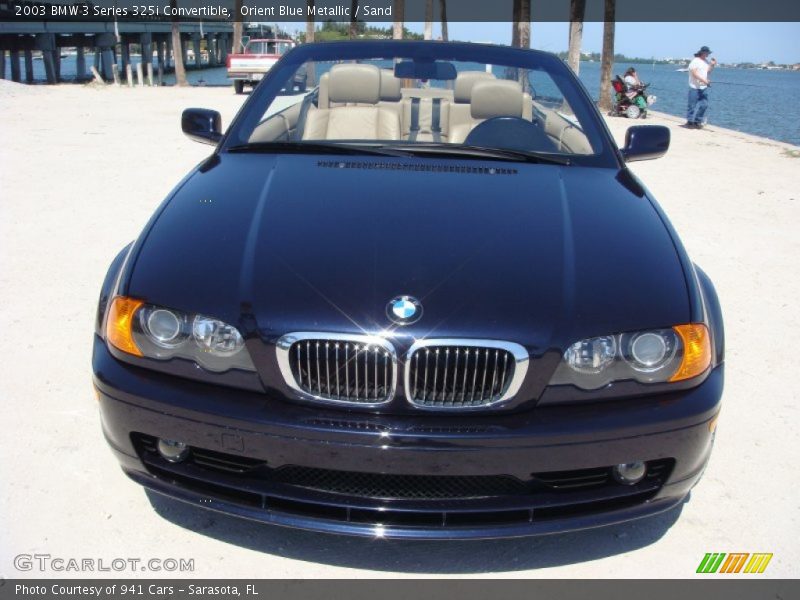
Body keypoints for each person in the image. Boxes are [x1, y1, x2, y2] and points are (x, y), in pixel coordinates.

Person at [686, 46, 717, 129]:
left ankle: (697, 121)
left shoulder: (706, 62)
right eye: (707, 53)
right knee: (692, 105)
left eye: (708, 53)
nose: (708, 54)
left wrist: (712, 65)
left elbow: (707, 72)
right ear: (703, 52)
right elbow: (694, 74)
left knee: (704, 105)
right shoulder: (695, 61)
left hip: (703, 87)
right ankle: (689, 122)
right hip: (694, 87)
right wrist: (705, 81)